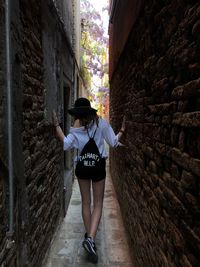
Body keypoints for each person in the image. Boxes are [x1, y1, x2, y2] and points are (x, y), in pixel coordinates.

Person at [52, 97, 125, 263]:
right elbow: (113, 143)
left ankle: (89, 237)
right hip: (98, 168)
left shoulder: (76, 130)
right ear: (90, 111)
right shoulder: (103, 124)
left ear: (78, 115)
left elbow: (65, 144)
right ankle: (90, 239)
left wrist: (57, 125)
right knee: (98, 204)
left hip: (82, 168)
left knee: (86, 203)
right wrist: (122, 130)